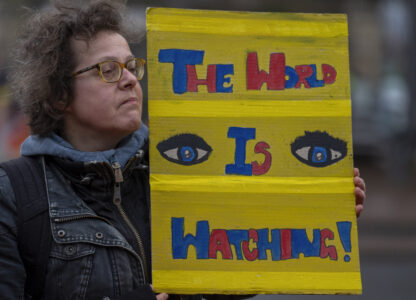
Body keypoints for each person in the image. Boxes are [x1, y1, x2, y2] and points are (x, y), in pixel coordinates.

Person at [0, 1, 366, 299]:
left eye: (132, 66)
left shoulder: (176, 169)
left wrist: (315, 211)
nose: (129, 79)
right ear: (59, 94)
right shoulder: (15, 194)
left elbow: (223, 274)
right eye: (108, 70)